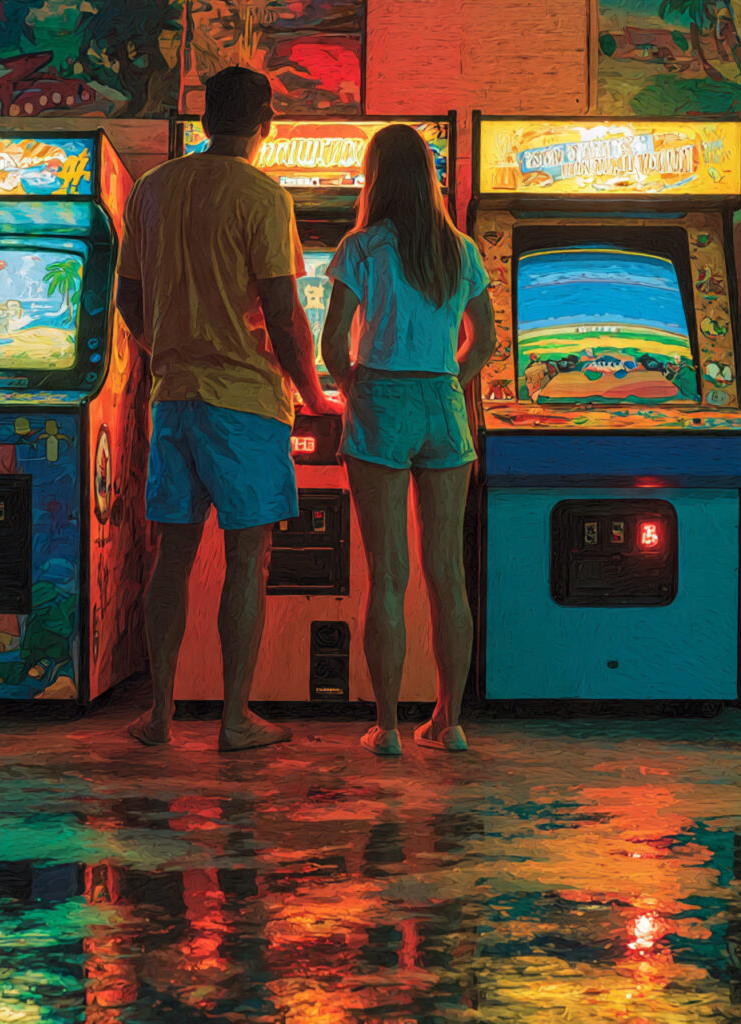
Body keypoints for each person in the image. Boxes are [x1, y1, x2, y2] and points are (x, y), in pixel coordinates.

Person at [115, 66, 340, 752]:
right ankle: (235, 719)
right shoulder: (261, 193)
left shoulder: (151, 190)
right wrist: (314, 395)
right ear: (265, 121)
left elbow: (128, 301)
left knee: (171, 558)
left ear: (204, 117)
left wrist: (172, 349)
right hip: (243, 401)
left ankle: (158, 716)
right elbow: (281, 308)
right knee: (248, 558)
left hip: (173, 400)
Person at [320, 124, 497, 756]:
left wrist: (354, 388)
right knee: (446, 574)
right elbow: (488, 341)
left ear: (375, 177)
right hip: (444, 404)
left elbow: (332, 340)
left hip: (382, 404)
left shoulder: (360, 247)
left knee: (387, 575)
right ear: (428, 175)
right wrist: (453, 378)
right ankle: (450, 724)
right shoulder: (460, 250)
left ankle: (389, 727)